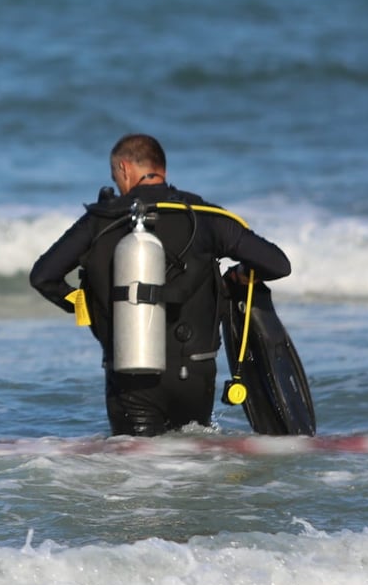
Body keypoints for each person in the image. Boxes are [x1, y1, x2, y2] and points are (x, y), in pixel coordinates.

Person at [29, 133, 291, 437]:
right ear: (161, 168)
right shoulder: (204, 216)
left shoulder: (100, 220)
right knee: (189, 464)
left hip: (130, 372)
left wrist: (87, 305)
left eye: (116, 177)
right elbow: (277, 264)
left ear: (125, 169)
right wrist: (238, 275)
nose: (118, 185)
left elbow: (43, 277)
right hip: (195, 370)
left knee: (140, 473)